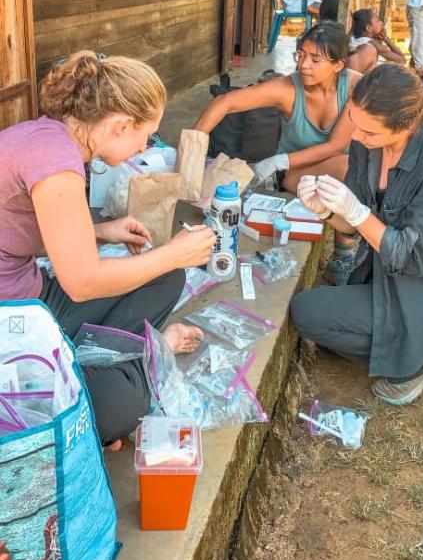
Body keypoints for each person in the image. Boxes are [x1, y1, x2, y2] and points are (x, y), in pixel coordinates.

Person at [0, 51, 215, 446]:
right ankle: (141, 361)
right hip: (13, 323)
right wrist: (173, 253)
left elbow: (16, 226)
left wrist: (99, 230)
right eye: (146, 135)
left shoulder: (48, 136)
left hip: (26, 294)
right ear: (120, 125)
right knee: (120, 406)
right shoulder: (56, 160)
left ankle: (97, 364)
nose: (144, 146)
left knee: (166, 275)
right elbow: (82, 282)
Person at [291, 63, 423, 405]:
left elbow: (411, 260)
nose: (356, 138)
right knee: (315, 323)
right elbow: (355, 225)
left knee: (307, 313)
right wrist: (325, 210)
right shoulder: (367, 144)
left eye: (369, 133)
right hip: (380, 276)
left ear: (406, 125)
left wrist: (357, 211)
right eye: (354, 122)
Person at [194, 22, 361, 283]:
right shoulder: (287, 89)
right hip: (296, 173)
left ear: (338, 65)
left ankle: (344, 248)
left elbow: (337, 144)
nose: (304, 65)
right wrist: (193, 147)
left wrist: (274, 160)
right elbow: (225, 103)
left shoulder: (354, 87)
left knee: (351, 166)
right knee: (347, 167)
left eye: (315, 59)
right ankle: (346, 246)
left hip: (335, 167)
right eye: (301, 55)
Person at [347, 8, 406, 73]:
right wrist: (386, 38)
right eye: (378, 21)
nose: (381, 23)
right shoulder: (372, 44)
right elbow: (402, 60)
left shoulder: (353, 39)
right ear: (369, 28)